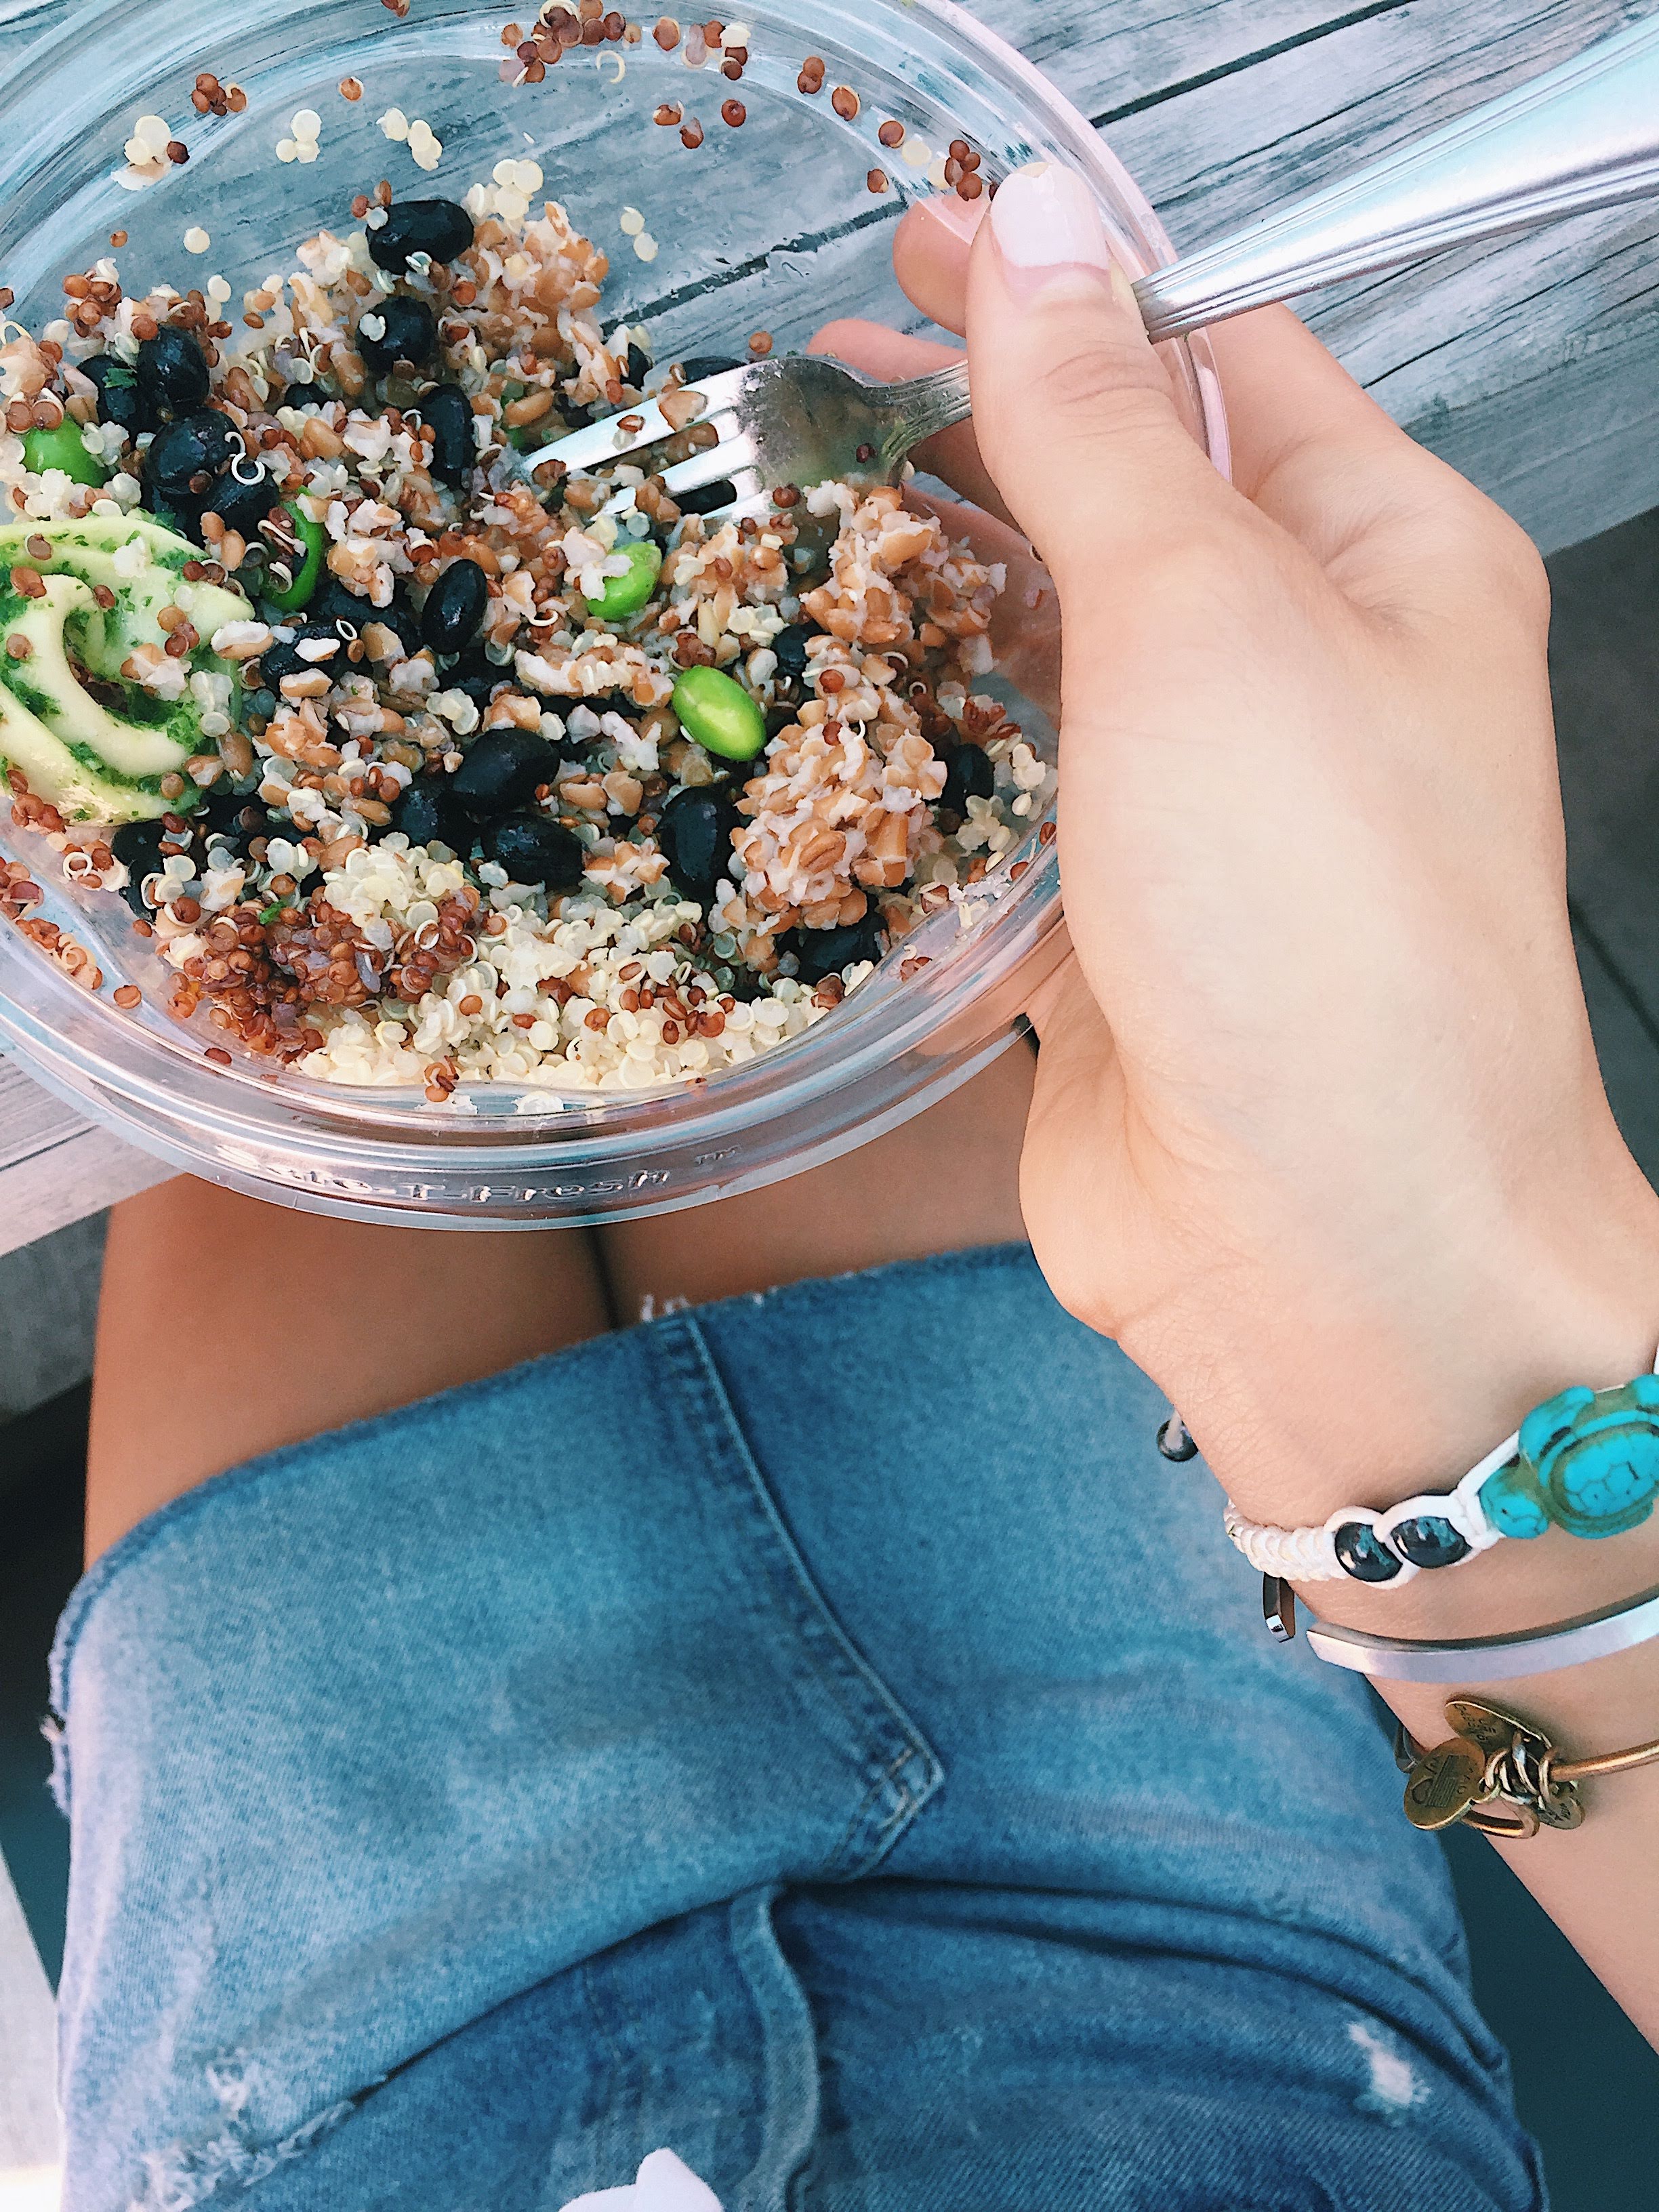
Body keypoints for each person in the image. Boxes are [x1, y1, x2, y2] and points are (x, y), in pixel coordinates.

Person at [52, 163, 1658, 2211]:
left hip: (349, 2035)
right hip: (1189, 1965)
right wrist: (1444, 1356)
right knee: (774, 877)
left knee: (286, 970)